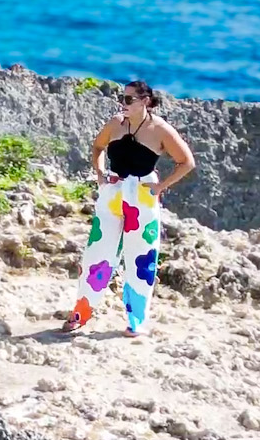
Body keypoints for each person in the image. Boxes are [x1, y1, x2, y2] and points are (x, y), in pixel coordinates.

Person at [64, 82, 197, 337]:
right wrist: (100, 173)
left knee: (141, 259)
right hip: (113, 193)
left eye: (128, 99)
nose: (122, 104)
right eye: (121, 98)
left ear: (145, 101)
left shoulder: (160, 130)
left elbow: (186, 162)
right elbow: (98, 147)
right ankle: (80, 314)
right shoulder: (115, 123)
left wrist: (161, 187)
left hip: (142, 197)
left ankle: (135, 322)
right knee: (96, 255)